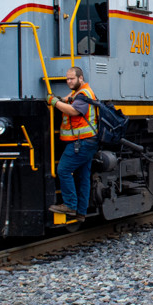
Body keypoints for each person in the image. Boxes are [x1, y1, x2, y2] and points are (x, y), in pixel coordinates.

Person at [47, 67, 98, 221]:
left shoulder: (83, 94)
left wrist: (54, 102)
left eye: (72, 79)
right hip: (87, 141)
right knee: (83, 176)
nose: (69, 81)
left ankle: (70, 205)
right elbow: (70, 100)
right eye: (67, 79)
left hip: (81, 142)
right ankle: (81, 212)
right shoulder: (80, 93)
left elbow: (73, 111)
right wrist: (63, 99)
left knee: (63, 169)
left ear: (80, 78)